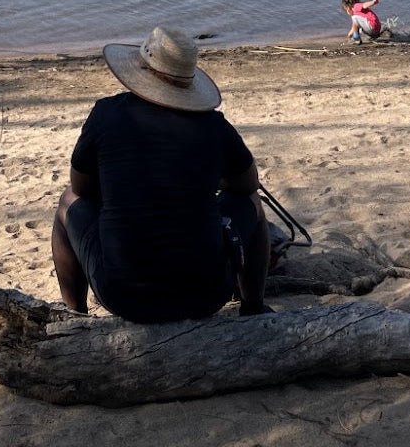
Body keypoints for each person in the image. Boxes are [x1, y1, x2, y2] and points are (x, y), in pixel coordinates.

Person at [51, 26, 270, 323]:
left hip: (122, 296)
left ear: (140, 69)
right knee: (253, 204)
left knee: (67, 199)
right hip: (207, 295)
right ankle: (253, 306)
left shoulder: (106, 115)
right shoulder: (213, 126)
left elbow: (81, 187)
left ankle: (75, 314)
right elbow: (247, 185)